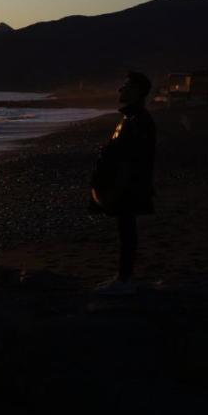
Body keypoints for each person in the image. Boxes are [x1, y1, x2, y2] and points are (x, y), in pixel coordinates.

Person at [90, 71, 156, 295]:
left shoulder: (139, 121)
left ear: (137, 92)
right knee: (125, 230)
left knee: (127, 231)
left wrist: (118, 188)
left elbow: (134, 159)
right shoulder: (131, 118)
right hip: (124, 185)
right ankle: (123, 277)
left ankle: (125, 280)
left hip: (127, 187)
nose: (121, 89)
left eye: (126, 86)